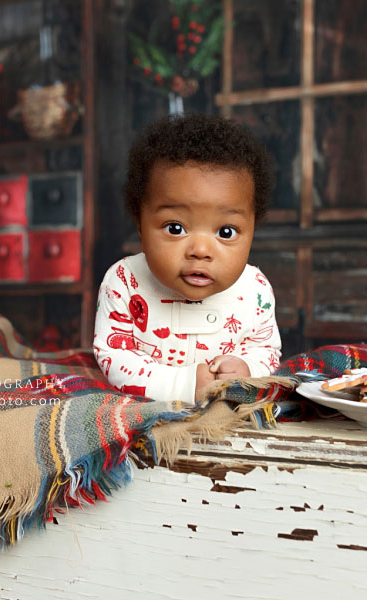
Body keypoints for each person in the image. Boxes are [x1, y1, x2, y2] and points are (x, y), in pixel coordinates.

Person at [93, 113, 281, 406]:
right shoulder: (124, 282)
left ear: (253, 230)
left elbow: (266, 350)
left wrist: (248, 370)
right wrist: (184, 386)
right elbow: (114, 356)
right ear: (140, 224)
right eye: (175, 228)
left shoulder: (255, 289)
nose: (200, 251)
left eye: (226, 231)